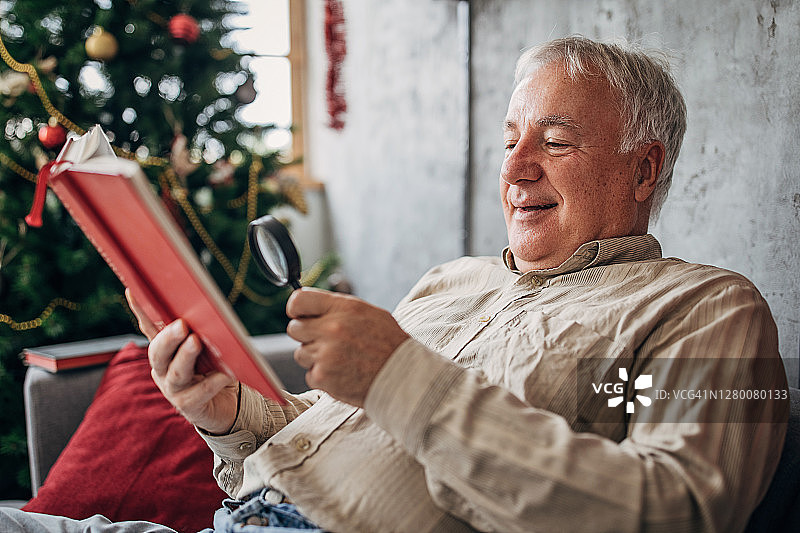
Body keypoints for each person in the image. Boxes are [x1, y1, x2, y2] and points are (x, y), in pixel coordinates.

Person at [1, 35, 789, 533]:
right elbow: (331, 429)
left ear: (644, 167)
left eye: (555, 142)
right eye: (511, 140)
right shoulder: (454, 281)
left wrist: (403, 377)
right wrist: (229, 414)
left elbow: (681, 506)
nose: (513, 171)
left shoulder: (705, 308)